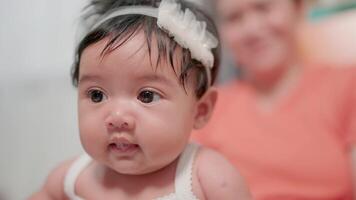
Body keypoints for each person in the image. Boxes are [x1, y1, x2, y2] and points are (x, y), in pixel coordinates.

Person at [29, 0, 252, 199]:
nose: (116, 117)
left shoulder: (209, 179)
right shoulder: (69, 179)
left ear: (200, 110)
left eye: (147, 96)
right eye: (97, 95)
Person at [192, 0, 356, 199]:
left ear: (297, 9)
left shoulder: (347, 86)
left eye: (263, 8)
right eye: (234, 18)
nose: (251, 29)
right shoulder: (207, 108)